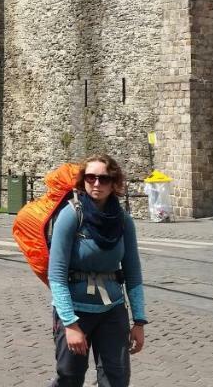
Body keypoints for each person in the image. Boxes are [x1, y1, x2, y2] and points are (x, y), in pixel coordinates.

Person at [48, 154, 147, 387]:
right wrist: (70, 325)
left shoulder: (123, 221)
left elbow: (133, 273)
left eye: (103, 179)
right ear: (83, 180)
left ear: (114, 183)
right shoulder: (71, 215)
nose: (96, 183)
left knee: (116, 379)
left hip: (112, 310)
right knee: (70, 376)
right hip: (75, 311)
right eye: (90, 177)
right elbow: (57, 275)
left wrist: (139, 322)